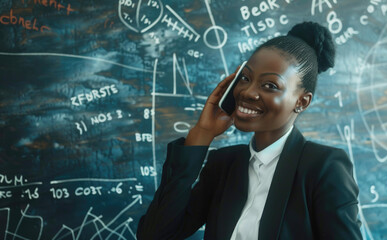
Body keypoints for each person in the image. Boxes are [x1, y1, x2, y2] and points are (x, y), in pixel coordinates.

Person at [136, 21, 362, 240]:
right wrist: (202, 133)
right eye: (245, 78)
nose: (247, 92)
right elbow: (154, 235)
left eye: (270, 85)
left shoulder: (323, 167)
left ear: (302, 102)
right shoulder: (224, 164)